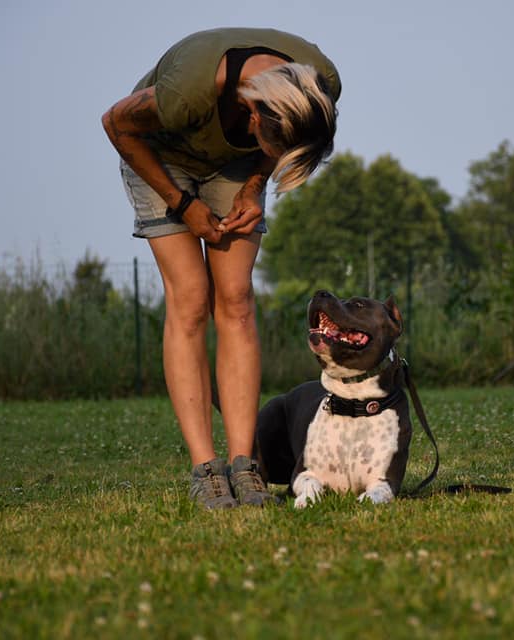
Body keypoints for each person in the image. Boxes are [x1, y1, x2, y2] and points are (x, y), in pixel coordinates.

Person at [102, 28, 340, 509]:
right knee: (190, 299)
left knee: (235, 300)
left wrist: (255, 186)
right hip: (160, 158)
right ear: (253, 112)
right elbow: (115, 124)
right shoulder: (186, 93)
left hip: (235, 166)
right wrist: (181, 204)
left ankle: (244, 467)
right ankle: (206, 471)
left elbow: (279, 145)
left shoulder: (321, 83)